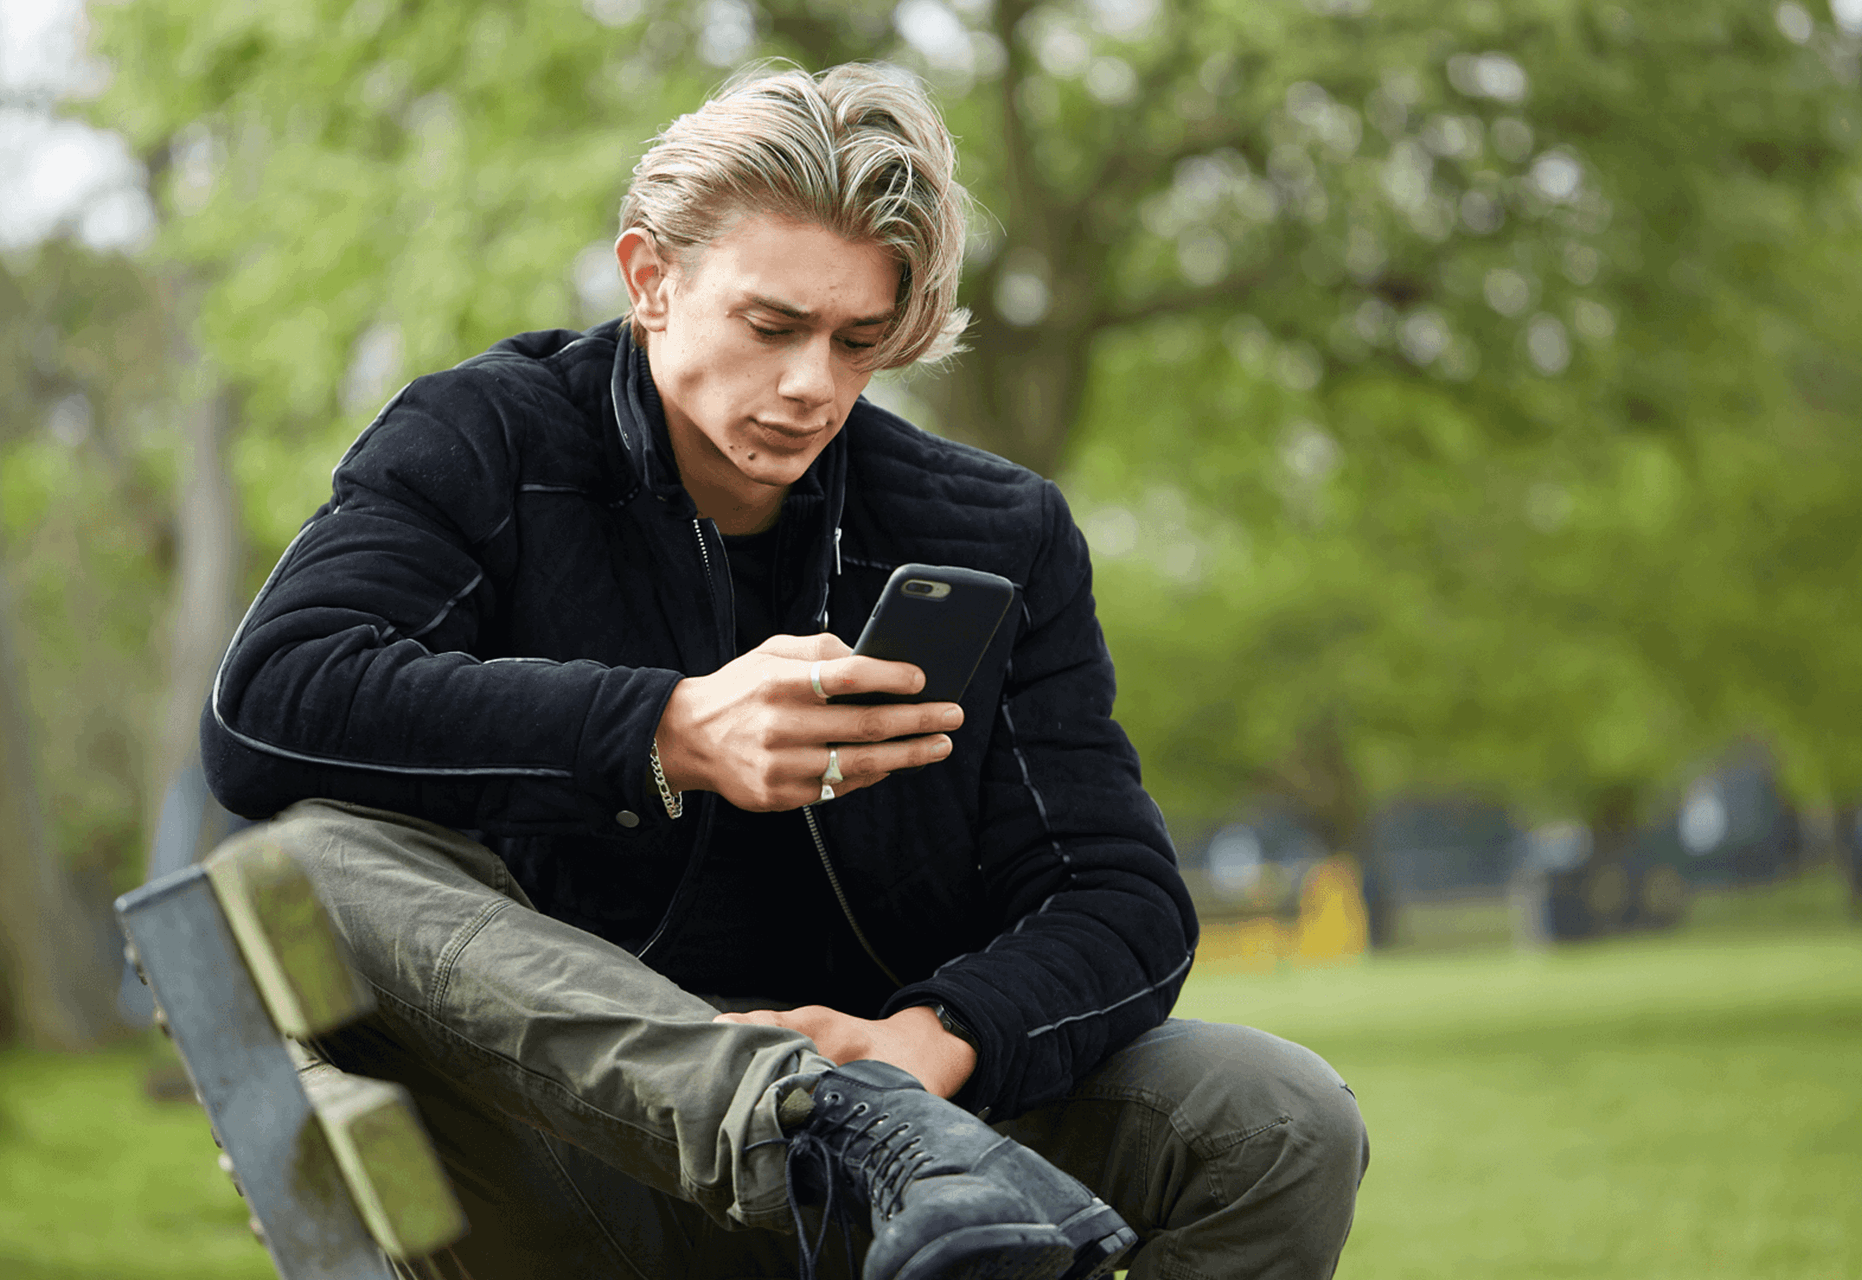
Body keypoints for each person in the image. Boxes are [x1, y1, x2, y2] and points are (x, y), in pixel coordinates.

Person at [201, 61, 1367, 1280]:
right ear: (651, 278)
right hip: (584, 1157)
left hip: (943, 1170)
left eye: (859, 341)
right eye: (771, 326)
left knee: (1281, 1113)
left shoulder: (992, 531)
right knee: (295, 862)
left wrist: (928, 1042)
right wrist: (666, 729)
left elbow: (1122, 896)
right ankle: (801, 1117)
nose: (813, 384)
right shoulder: (484, 440)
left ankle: (863, 1123)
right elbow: (269, 701)